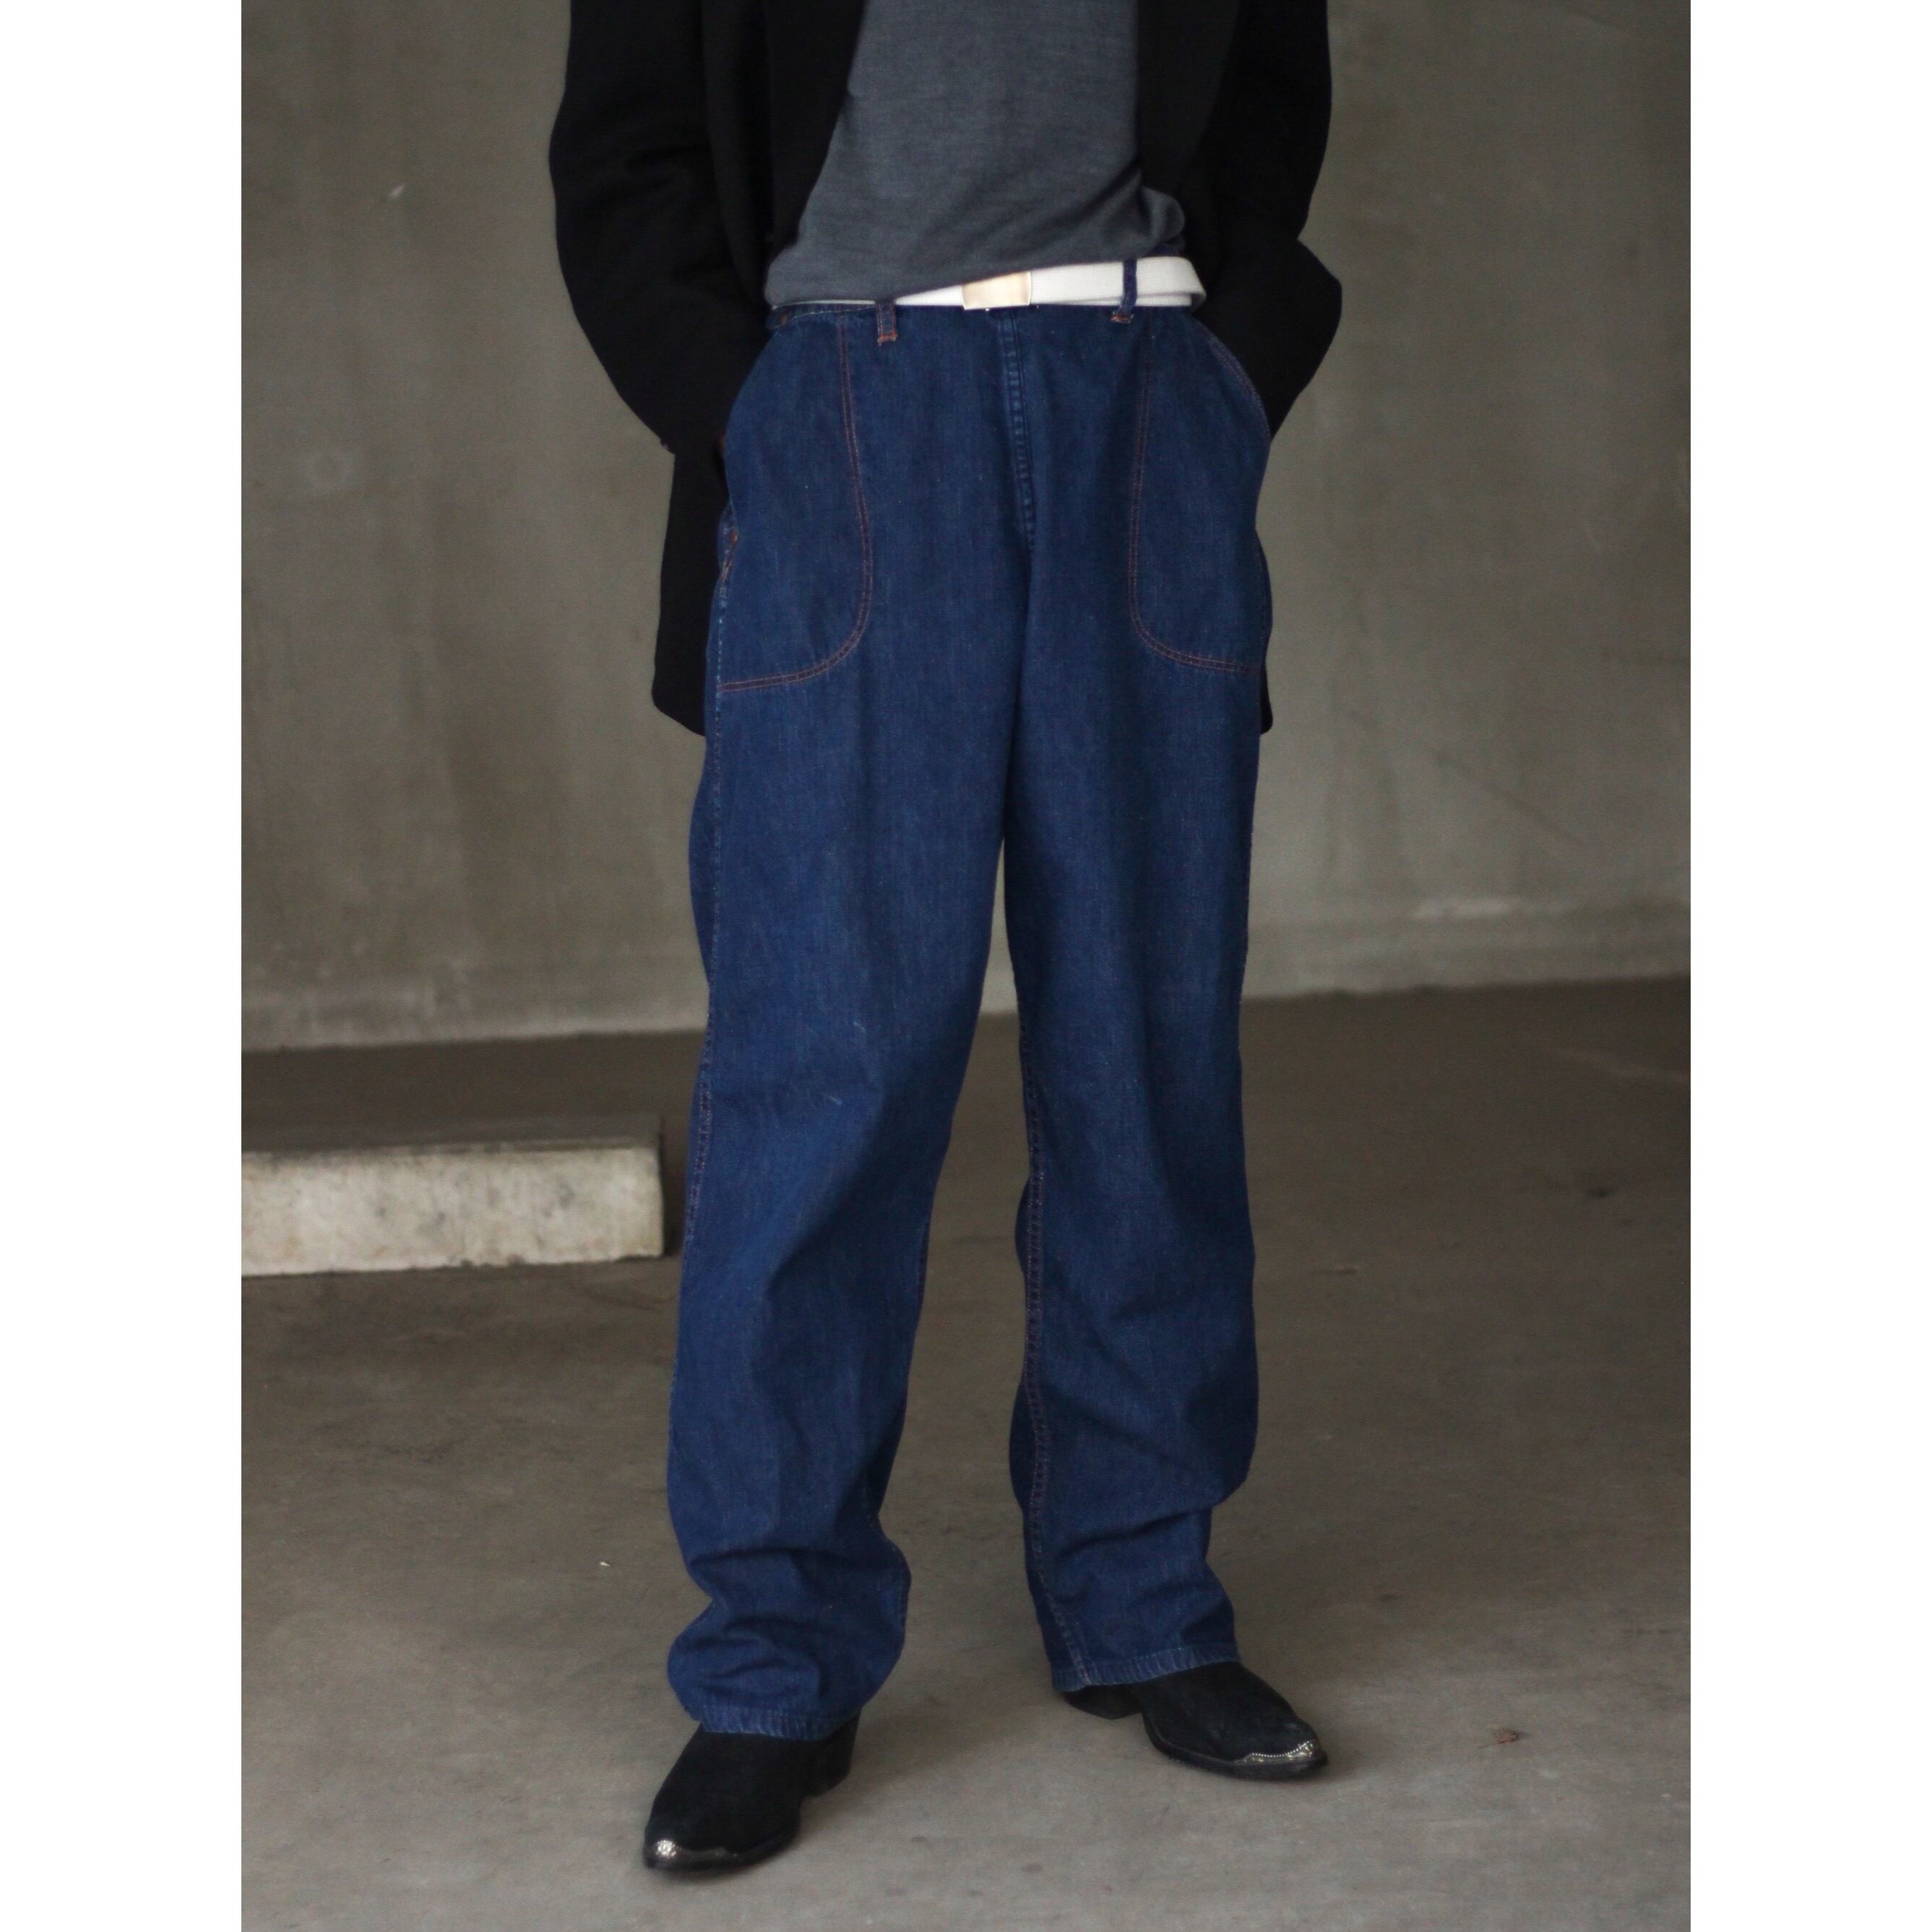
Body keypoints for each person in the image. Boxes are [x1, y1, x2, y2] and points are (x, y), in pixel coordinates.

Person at [551, 0, 1342, 1874]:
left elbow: (1267, 108)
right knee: (823, 1076)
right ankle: (774, 1666)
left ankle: (1144, 1596)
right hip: (844, 399)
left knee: (1144, 1059)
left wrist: (1219, 379)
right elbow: (626, 159)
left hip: (1138, 395)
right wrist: (750, 412)